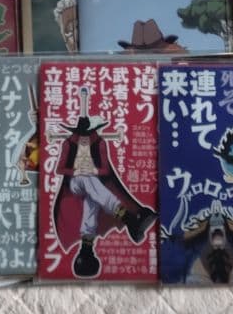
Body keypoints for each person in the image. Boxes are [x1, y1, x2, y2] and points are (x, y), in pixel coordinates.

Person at [52, 87, 156, 278]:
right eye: (81, 133)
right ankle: (129, 218)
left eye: (87, 133)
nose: (84, 137)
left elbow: (106, 169)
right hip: (74, 185)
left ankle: (86, 250)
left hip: (93, 184)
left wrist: (93, 170)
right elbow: (60, 169)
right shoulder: (69, 144)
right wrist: (76, 171)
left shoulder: (99, 143)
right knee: (85, 179)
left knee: (92, 198)